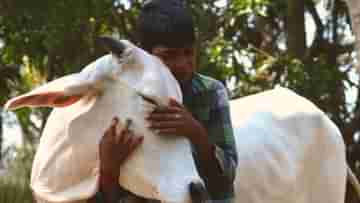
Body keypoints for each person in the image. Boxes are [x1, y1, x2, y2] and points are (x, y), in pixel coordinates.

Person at [90, 0, 238, 202]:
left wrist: (196, 133)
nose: (183, 65)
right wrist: (109, 169)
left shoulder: (211, 92)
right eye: (168, 56)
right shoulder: (120, 98)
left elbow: (226, 179)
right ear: (144, 55)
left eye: (188, 52)